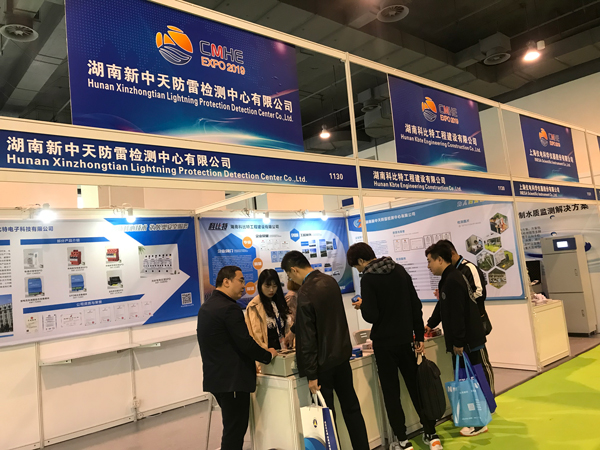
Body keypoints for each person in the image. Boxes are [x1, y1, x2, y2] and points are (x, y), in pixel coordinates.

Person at [347, 242, 442, 450]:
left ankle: (403, 440)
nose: (359, 270)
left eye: (357, 266)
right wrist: (418, 336)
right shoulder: (399, 270)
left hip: (384, 345)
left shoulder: (368, 278)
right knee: (416, 388)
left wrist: (363, 305)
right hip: (406, 340)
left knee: (392, 393)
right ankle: (431, 433)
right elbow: (415, 304)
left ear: (361, 261)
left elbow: (372, 316)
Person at [281, 251, 370, 450]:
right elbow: (322, 318)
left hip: (322, 366)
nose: (291, 279)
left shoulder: (305, 292)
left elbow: (308, 336)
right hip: (341, 357)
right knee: (352, 409)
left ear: (294, 270)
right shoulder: (330, 282)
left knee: (326, 417)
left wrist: (311, 374)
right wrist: (293, 331)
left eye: (289, 275)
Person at [197, 266, 278, 450]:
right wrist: (268, 355)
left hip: (217, 379)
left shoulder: (206, 307)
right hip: (233, 381)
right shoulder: (229, 308)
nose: (244, 285)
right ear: (226, 281)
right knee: (234, 431)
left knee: (232, 427)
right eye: (240, 280)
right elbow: (245, 343)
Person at [424, 243, 490, 437]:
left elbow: (458, 313)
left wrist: (459, 342)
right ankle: (474, 417)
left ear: (440, 260)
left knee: (472, 381)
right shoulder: (448, 278)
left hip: (467, 341)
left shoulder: (453, 279)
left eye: (429, 261)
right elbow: (443, 307)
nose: (428, 266)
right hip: (464, 340)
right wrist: (431, 324)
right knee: (467, 380)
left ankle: (479, 421)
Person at [438, 239, 495, 395]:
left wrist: (463, 301)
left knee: (480, 366)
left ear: (450, 254)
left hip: (475, 324)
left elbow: (479, 293)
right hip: (461, 329)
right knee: (465, 370)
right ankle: (474, 402)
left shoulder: (468, 268)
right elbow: (445, 304)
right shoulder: (448, 276)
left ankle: (489, 399)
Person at [245, 268, 293, 352]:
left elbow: (287, 327)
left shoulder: (280, 302)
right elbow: (255, 335)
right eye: (267, 286)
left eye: (274, 286)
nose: (271, 290)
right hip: (267, 352)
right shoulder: (254, 306)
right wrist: (266, 352)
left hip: (284, 350)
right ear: (260, 286)